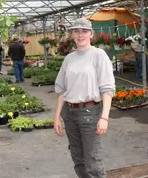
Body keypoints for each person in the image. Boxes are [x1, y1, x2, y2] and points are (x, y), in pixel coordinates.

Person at [54, 18, 115, 178]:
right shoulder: (69, 58)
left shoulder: (98, 55)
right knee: (78, 157)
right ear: (72, 34)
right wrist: (57, 117)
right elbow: (61, 89)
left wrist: (104, 117)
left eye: (84, 31)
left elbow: (107, 88)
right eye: (76, 31)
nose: (80, 35)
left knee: (92, 159)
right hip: (69, 113)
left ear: (91, 34)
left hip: (90, 112)